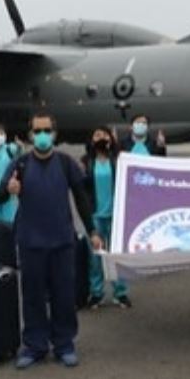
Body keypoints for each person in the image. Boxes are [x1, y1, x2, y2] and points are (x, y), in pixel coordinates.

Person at [2, 113, 102, 368]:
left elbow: (81, 198)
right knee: (32, 295)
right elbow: (0, 195)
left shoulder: (66, 163)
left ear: (55, 134)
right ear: (30, 134)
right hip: (30, 242)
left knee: (64, 295)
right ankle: (35, 345)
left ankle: (64, 344)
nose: (42, 135)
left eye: (47, 130)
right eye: (38, 131)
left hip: (62, 242)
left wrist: (92, 230)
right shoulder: (20, 164)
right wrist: (9, 189)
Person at [82, 129, 131, 308]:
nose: (101, 138)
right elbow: (81, 186)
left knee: (117, 255)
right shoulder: (86, 162)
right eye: (96, 135)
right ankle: (96, 293)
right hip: (95, 215)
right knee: (95, 257)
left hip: (116, 215)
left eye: (104, 135)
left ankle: (121, 292)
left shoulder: (118, 160)